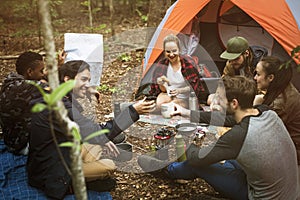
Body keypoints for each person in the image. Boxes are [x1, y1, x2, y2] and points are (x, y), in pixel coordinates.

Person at [138, 76, 299, 199]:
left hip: (263, 196)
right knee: (225, 159)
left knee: (198, 164)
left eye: (219, 99)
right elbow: (228, 119)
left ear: (234, 103)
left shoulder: (238, 136)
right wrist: (185, 112)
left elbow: (196, 159)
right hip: (288, 189)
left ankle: (167, 170)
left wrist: (186, 137)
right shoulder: (266, 112)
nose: (215, 101)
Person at [27, 60, 156, 199]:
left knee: (98, 143)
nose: (87, 84)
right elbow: (97, 130)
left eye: (88, 80)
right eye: (83, 80)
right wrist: (133, 111)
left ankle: (86, 172)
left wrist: (85, 91)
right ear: (67, 79)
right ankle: (71, 185)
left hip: (60, 153)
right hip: (52, 171)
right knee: (109, 166)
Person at [253, 56, 300, 165]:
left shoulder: (280, 105)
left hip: (293, 150)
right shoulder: (282, 86)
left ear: (270, 78)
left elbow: (263, 133)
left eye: (258, 74)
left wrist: (254, 106)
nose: (255, 78)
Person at [0, 51, 46, 155]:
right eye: (41, 71)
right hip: (21, 146)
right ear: (30, 71)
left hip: (12, 141)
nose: (43, 74)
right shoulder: (25, 87)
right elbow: (55, 88)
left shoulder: (12, 80)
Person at [149, 34, 208, 109]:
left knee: (170, 106)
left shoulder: (188, 63)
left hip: (185, 97)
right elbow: (162, 90)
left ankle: (172, 107)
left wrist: (179, 91)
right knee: (160, 103)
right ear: (164, 52)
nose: (171, 54)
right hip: (168, 94)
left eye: (174, 51)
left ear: (179, 49)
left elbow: (195, 87)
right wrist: (161, 84)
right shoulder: (162, 64)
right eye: (168, 51)